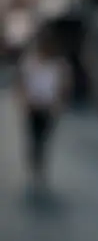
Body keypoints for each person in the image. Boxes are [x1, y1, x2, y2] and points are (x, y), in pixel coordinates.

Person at [13, 29, 70, 192]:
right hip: (33, 106)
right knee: (33, 137)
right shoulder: (30, 62)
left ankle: (39, 165)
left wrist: (59, 104)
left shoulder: (58, 64)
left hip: (49, 107)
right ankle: (34, 167)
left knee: (43, 139)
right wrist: (23, 101)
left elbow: (64, 85)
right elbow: (21, 83)